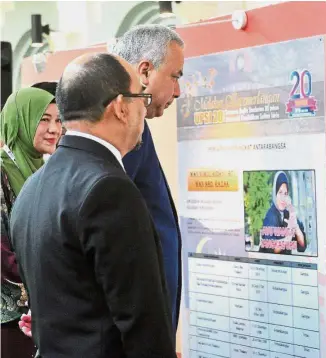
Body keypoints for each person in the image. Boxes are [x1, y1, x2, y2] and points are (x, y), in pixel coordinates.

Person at [10, 53, 176, 358]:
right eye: (142, 95)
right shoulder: (108, 189)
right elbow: (143, 323)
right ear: (120, 108)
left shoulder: (33, 187)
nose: (145, 107)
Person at [110, 24, 184, 332]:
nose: (178, 90)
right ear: (145, 71)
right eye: (175, 76)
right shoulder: (123, 129)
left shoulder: (136, 126)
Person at [1, 87, 62, 358]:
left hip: (47, 308)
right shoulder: (2, 171)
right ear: (21, 120)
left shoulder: (49, 171)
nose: (53, 129)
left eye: (59, 120)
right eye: (43, 119)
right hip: (9, 317)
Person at [259, 171, 307, 254]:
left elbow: (302, 246)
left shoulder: (288, 214)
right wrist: (289, 234)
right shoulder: (270, 216)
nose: (283, 197)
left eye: (285, 193)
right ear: (275, 193)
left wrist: (296, 227)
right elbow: (273, 249)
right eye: (280, 192)